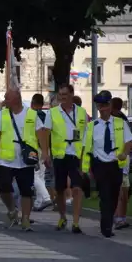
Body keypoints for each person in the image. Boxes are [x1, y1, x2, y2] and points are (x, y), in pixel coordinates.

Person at [0, 89, 48, 231]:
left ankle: (25, 219)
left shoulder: (31, 114)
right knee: (3, 186)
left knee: (26, 190)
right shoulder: (3, 114)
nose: (4, 100)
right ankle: (12, 210)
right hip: (6, 159)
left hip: (26, 159)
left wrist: (45, 152)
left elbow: (41, 133)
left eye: (7, 98)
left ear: (16, 99)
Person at [81, 91, 132, 238]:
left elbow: (128, 141)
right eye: (100, 106)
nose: (102, 109)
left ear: (110, 105)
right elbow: (86, 148)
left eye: (105, 105)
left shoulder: (120, 124)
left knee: (114, 195)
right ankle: (106, 227)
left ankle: (108, 221)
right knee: (105, 196)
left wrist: (125, 153)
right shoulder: (92, 126)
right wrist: (85, 169)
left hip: (116, 164)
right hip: (100, 165)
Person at [44, 84, 87, 233]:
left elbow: (85, 135)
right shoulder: (52, 113)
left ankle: (76, 222)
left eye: (65, 95)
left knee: (77, 187)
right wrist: (45, 153)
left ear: (71, 95)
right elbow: (45, 133)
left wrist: (85, 156)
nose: (62, 98)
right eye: (60, 95)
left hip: (76, 154)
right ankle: (62, 216)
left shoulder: (81, 112)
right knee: (60, 189)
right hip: (59, 154)